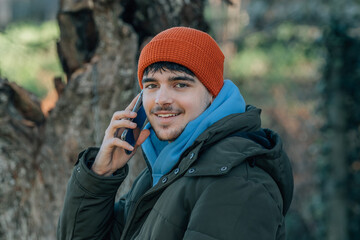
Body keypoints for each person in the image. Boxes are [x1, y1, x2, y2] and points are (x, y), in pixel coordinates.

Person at [57, 27, 293, 240]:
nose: (161, 100)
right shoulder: (163, 172)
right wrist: (100, 174)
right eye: (151, 86)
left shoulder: (240, 186)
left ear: (213, 94)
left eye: (180, 84)